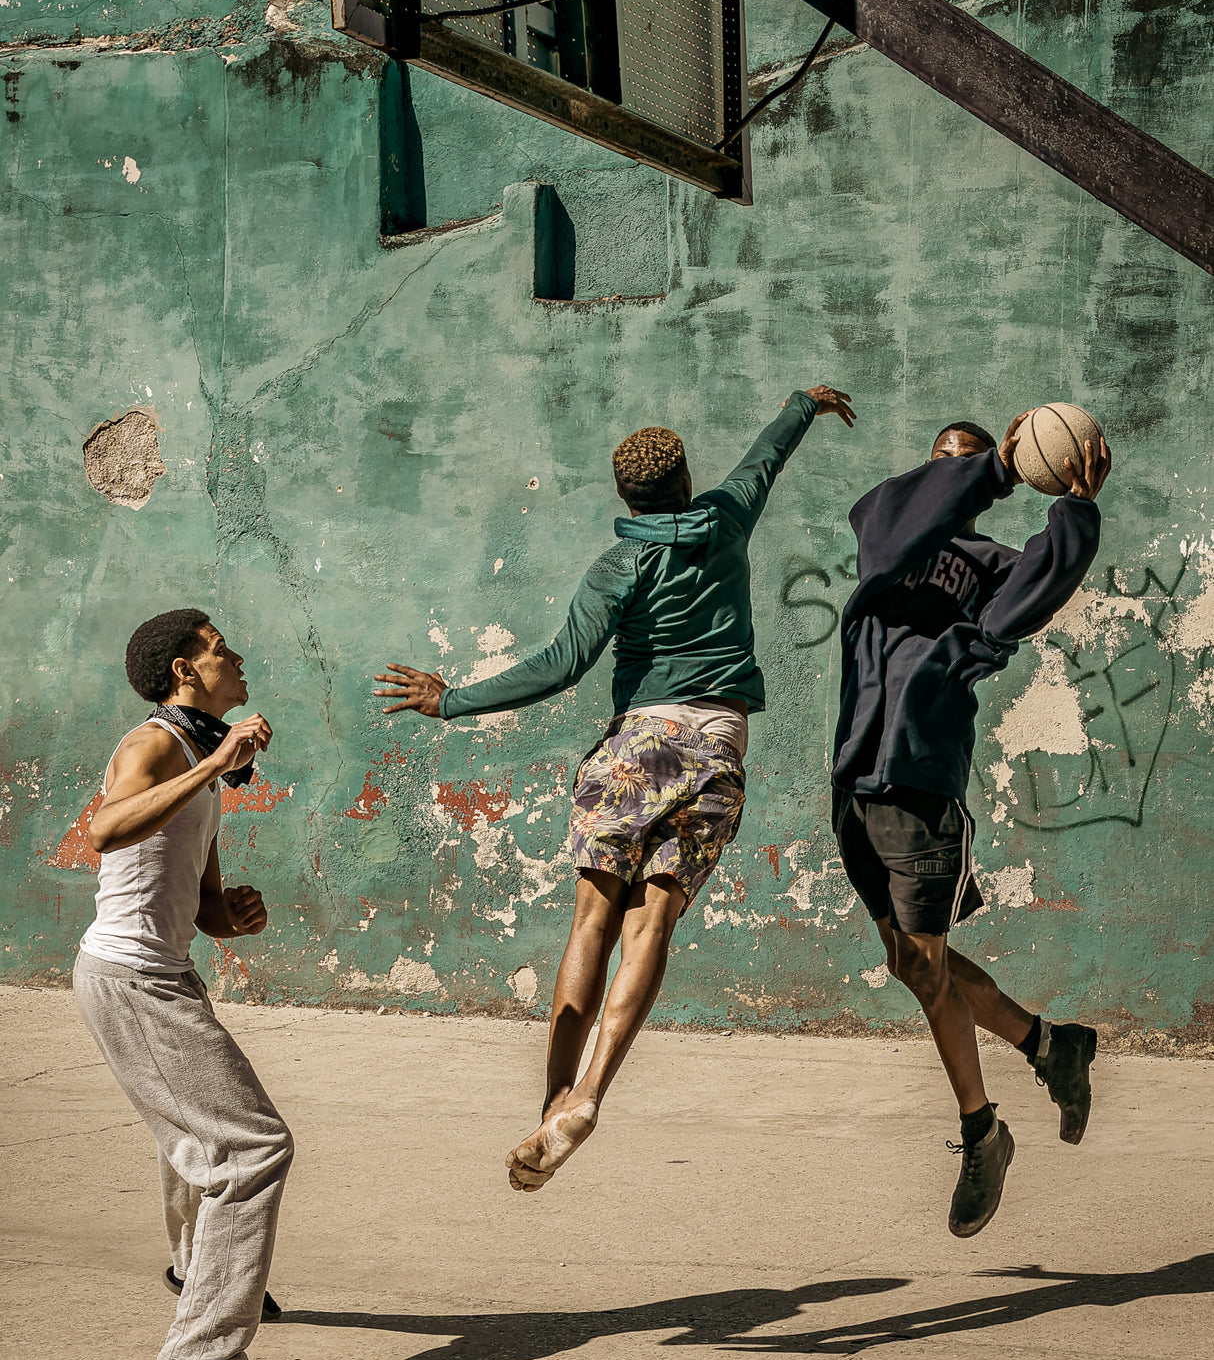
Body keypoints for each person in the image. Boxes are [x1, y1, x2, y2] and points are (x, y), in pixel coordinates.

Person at [376, 384, 856, 1192]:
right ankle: (591, 1095)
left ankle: (552, 1099)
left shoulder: (618, 566)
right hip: (716, 745)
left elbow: (560, 665)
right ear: (685, 479)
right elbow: (763, 459)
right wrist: (801, 403)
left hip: (638, 744)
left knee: (592, 920)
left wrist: (450, 699)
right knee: (653, 924)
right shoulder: (729, 517)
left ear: (624, 495)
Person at [831, 416, 1111, 1237]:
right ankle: (1050, 1045)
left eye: (972, 460)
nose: (959, 474)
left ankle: (983, 1128)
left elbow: (1040, 585)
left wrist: (1074, 504)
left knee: (923, 966)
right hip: (854, 779)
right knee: (913, 961)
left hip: (922, 780)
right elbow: (887, 514)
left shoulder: (990, 571)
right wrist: (993, 467)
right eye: (948, 464)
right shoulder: (888, 531)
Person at [73, 608, 293, 1360]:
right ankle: (198, 1355)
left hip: (157, 970)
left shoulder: (195, 751)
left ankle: (199, 1269)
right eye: (218, 649)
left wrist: (232, 912)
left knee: (197, 1135)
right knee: (253, 1145)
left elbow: (201, 905)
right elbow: (104, 829)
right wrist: (214, 765)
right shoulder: (155, 744)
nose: (236, 656)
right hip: (131, 978)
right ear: (183, 672)